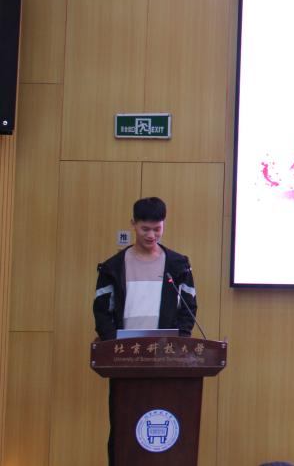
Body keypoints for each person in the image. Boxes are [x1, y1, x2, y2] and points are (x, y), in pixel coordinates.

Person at [93, 196, 197, 464]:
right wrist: (113, 345)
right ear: (133, 224)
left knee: (169, 420)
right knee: (124, 426)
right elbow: (102, 311)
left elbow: (188, 308)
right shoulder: (113, 267)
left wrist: (180, 342)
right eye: (145, 229)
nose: (151, 235)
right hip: (126, 359)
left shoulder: (178, 265)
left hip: (166, 359)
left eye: (157, 229)